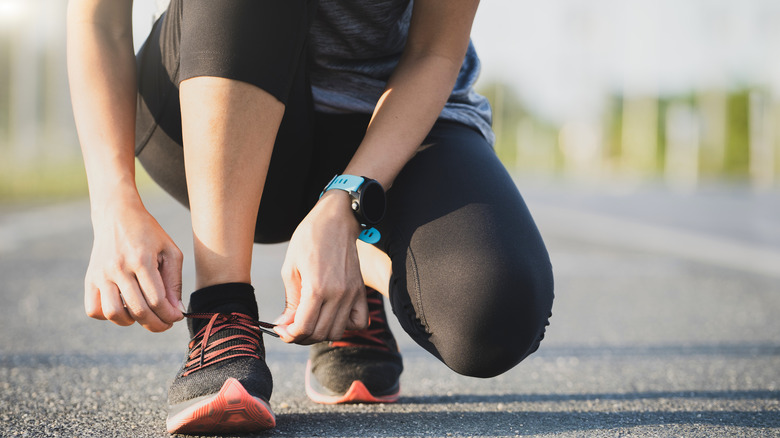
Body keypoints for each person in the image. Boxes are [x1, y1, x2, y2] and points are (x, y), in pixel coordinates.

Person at [67, 0, 554, 434]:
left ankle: (347, 270)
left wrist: (347, 203)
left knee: (493, 313)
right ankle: (223, 312)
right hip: (211, 92)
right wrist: (113, 201)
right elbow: (98, 18)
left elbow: (435, 52)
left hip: (388, 122)